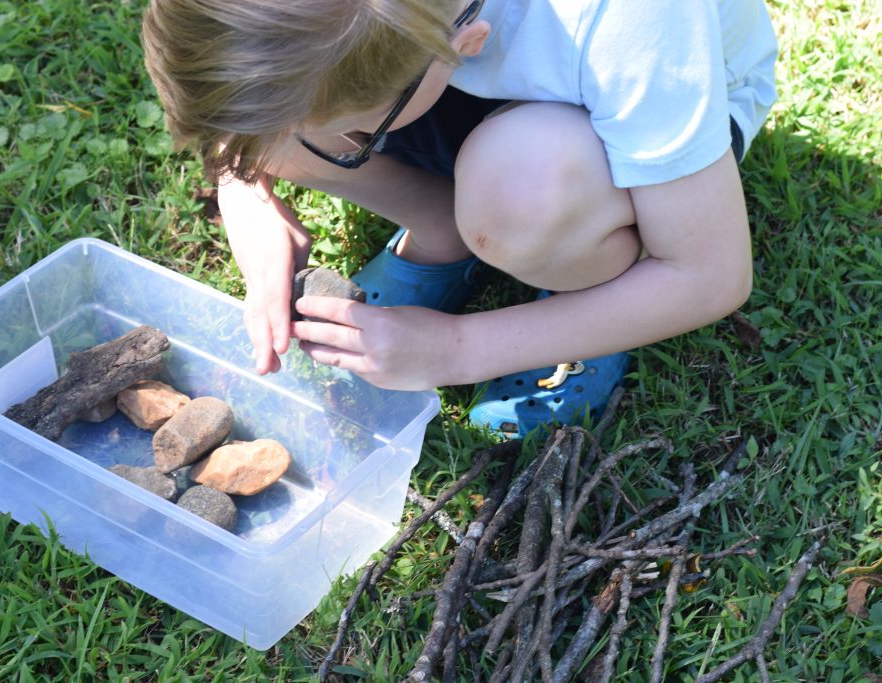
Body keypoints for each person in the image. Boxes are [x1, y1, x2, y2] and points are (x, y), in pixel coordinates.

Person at [141, 0, 777, 436]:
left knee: (524, 184)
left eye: (351, 136)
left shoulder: (629, 23)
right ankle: (444, 230)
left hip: (615, 124)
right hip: (445, 78)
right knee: (280, 129)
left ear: (465, 46)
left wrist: (457, 350)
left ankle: (586, 284)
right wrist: (244, 189)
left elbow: (709, 274)